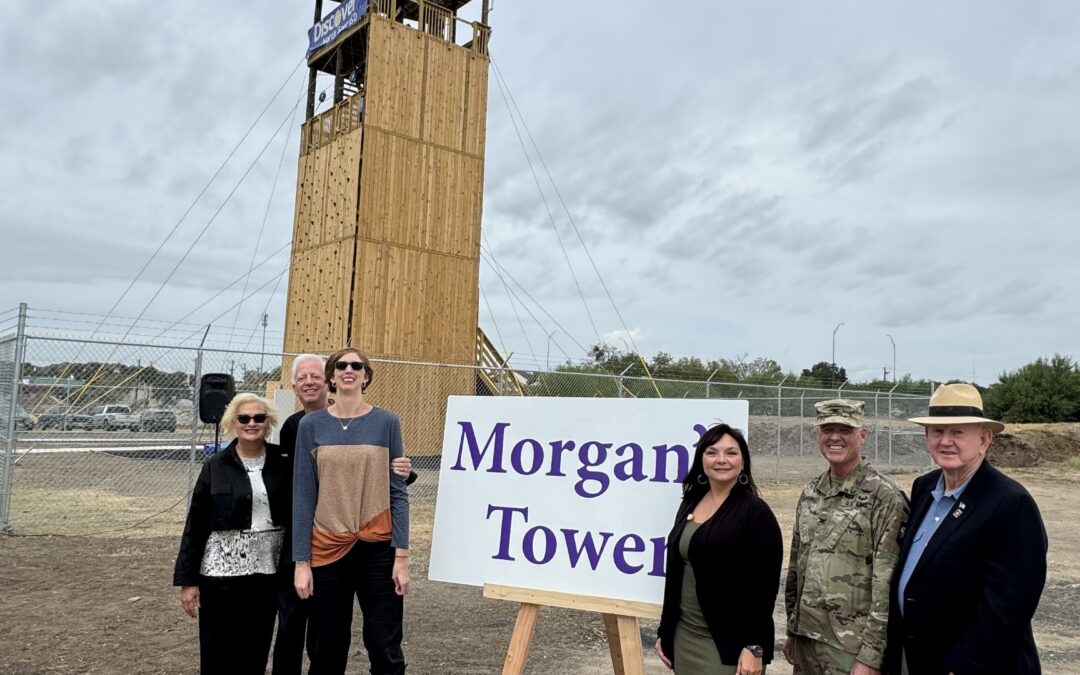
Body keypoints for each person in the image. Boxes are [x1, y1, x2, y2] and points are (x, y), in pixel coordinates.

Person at [885, 383, 1047, 675]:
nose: (946, 441)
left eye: (958, 432)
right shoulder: (924, 488)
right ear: (926, 435)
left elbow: (1007, 608)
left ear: (985, 439)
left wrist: (960, 667)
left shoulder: (1010, 504)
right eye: (938, 431)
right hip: (918, 658)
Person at [273, 354, 416, 674]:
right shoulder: (310, 426)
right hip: (328, 547)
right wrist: (301, 562)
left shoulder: (387, 422)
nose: (348, 371)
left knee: (384, 643)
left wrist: (401, 557)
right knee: (326, 646)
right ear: (332, 378)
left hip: (377, 547)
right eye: (341, 366)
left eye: (356, 366)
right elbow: (304, 497)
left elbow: (398, 491)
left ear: (366, 377)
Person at [784, 399, 909, 675]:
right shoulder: (811, 492)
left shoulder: (884, 497)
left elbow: (886, 583)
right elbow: (797, 565)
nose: (835, 437)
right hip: (807, 641)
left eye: (845, 429)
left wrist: (872, 657)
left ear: (862, 435)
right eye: (827, 429)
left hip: (850, 650)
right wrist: (793, 629)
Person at [655, 423, 783, 675]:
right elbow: (677, 573)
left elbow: (765, 589)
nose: (721, 460)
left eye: (731, 453)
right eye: (712, 452)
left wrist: (755, 647)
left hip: (728, 648)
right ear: (702, 460)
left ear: (743, 462)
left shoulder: (755, 513)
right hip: (684, 637)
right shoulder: (692, 501)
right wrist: (666, 630)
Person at [174, 393, 285, 674]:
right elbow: (196, 525)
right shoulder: (215, 466)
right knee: (218, 654)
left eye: (259, 418)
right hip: (221, 578)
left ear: (268, 422)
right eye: (244, 418)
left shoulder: (284, 463)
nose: (252, 423)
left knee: (255, 652)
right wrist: (188, 582)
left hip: (266, 576)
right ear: (233, 423)